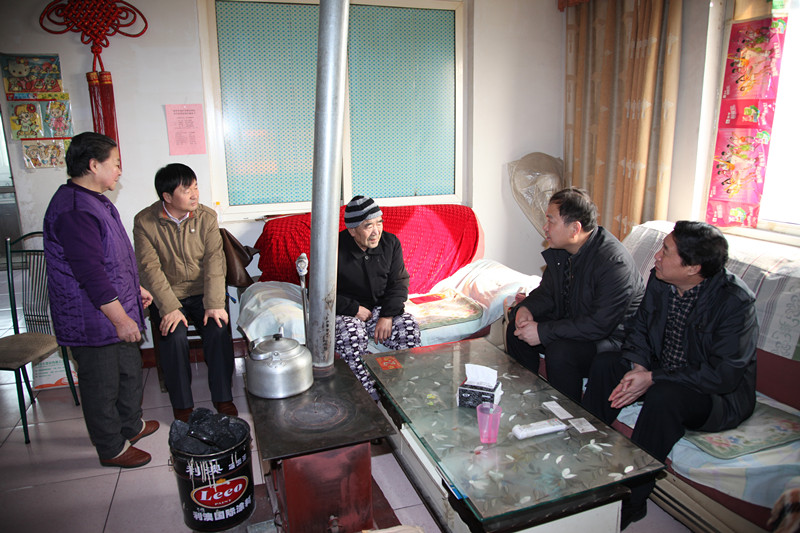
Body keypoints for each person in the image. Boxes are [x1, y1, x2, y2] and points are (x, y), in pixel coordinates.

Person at [582, 221, 758, 529]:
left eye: (666, 251)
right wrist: (639, 366)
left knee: (664, 397)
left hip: (715, 396)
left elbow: (723, 375)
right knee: (608, 364)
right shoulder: (661, 280)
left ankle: (633, 500)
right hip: (661, 370)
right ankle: (584, 455)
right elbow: (639, 328)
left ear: (692, 268)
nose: (657, 257)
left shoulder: (735, 302)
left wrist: (653, 378)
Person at [43, 132, 159, 469]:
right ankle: (111, 447)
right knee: (102, 385)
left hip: (114, 306)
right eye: (116, 163)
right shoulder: (74, 210)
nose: (120, 170)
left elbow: (112, 257)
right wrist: (121, 319)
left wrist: (135, 288)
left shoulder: (95, 199)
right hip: (93, 319)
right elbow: (90, 273)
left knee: (128, 372)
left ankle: (131, 426)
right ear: (94, 165)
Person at [505, 188, 644, 401]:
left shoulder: (614, 264)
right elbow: (548, 292)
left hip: (610, 341)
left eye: (551, 221)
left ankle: (567, 413)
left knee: (560, 352)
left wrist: (542, 331)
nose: (545, 227)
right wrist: (526, 308)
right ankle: (524, 398)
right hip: (577, 325)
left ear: (575, 228)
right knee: (517, 328)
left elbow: (598, 324)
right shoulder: (564, 250)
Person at [133, 163, 236, 422]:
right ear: (167, 196)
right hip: (169, 294)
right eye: (186, 190)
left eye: (195, 187)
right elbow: (149, 269)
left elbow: (215, 261)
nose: (194, 194)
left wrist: (214, 303)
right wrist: (169, 307)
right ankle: (182, 405)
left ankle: (223, 397)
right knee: (173, 334)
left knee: (218, 328)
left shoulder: (206, 217)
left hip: (204, 292)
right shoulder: (145, 222)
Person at [335, 195, 421, 397]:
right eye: (368, 226)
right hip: (348, 312)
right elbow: (319, 293)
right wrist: (353, 309)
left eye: (379, 223)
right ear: (352, 230)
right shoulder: (333, 248)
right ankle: (368, 397)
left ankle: (402, 391)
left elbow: (399, 283)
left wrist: (387, 315)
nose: (376, 231)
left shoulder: (390, 243)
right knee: (351, 336)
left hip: (382, 309)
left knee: (409, 326)